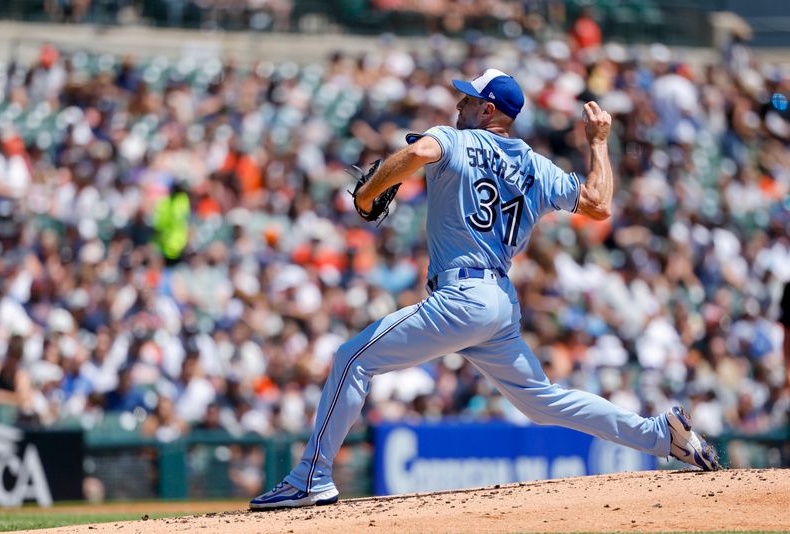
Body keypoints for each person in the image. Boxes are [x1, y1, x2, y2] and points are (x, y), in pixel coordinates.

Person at [249, 69, 721, 510]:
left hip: (461, 296)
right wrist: (598, 143)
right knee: (542, 400)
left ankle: (312, 476)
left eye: (470, 97)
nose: (460, 102)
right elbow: (598, 204)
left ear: (488, 110)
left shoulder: (453, 137)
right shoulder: (536, 166)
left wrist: (370, 191)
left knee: (352, 358)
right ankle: (661, 435)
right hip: (498, 303)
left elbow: (417, 153)